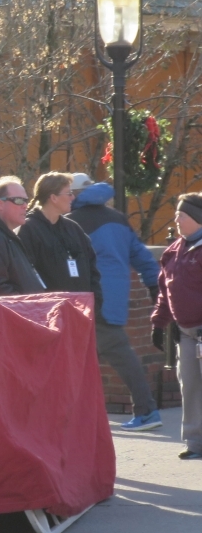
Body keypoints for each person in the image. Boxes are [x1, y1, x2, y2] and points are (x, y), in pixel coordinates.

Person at [68, 174, 162, 431]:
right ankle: (145, 411)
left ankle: (145, 411)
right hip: (115, 298)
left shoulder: (71, 222)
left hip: (91, 300)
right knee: (115, 356)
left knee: (77, 360)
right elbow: (141, 256)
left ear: (73, 194)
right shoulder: (117, 217)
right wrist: (156, 287)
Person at [151, 193, 202, 459]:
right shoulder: (173, 251)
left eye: (181, 215)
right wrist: (159, 324)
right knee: (190, 387)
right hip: (186, 334)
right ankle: (195, 443)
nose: (176, 220)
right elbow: (165, 291)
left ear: (197, 217)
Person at [17, 171, 103, 311]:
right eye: (68, 193)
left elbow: (92, 268)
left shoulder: (73, 229)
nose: (73, 197)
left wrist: (95, 303)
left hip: (81, 313)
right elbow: (27, 276)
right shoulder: (28, 230)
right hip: (48, 315)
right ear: (53, 198)